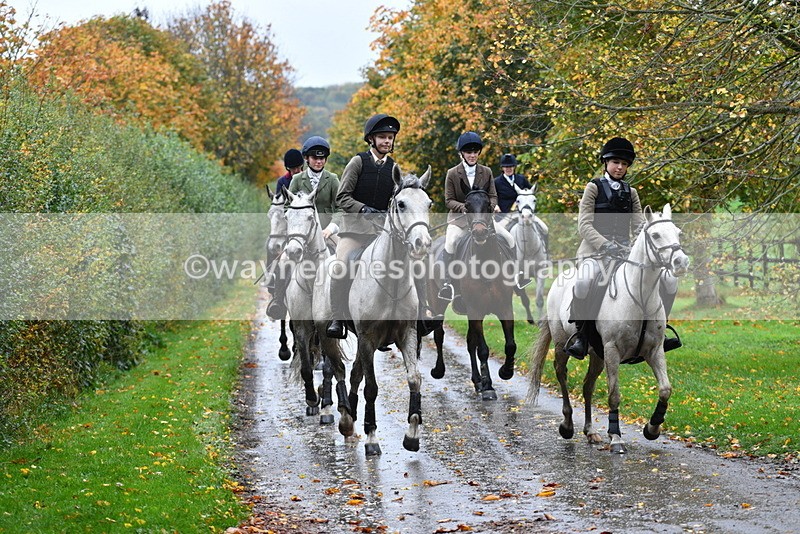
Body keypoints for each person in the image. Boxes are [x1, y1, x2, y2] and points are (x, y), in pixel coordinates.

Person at [326, 114, 440, 340]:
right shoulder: (357, 162)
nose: (387, 141)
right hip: (356, 231)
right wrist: (363, 209)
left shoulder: (394, 169)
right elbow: (342, 198)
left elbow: (400, 202)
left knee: (418, 262)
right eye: (382, 137)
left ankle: (422, 312)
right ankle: (337, 317)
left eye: (390, 137)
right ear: (371, 140)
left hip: (385, 233)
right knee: (341, 265)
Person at [565, 137, 682, 359]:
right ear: (606, 162)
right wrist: (605, 245)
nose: (620, 167)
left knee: (668, 279)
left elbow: (639, 226)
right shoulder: (593, 188)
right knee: (583, 282)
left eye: (624, 164)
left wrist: (636, 246)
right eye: (616, 162)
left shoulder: (632, 192)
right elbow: (584, 225)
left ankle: (660, 330)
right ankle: (581, 335)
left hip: (625, 255)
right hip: (594, 252)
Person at [266, 136, 340, 320]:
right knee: (283, 261)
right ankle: (278, 300)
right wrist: (293, 232)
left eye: (322, 158)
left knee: (345, 261)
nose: (318, 161)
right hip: (300, 234)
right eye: (314, 157)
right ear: (307, 159)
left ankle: (341, 309)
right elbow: (287, 207)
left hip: (326, 232)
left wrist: (331, 228)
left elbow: (340, 207)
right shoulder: (297, 179)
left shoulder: (332, 179)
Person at [438, 132, 516, 303]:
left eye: (475, 152)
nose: (472, 155)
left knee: (509, 238)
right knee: (450, 243)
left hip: (483, 220)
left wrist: (492, 205)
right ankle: (448, 284)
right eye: (468, 152)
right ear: (462, 154)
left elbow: (493, 195)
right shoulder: (452, 173)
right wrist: (463, 208)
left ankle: (516, 276)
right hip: (459, 221)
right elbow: (448, 200)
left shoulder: (486, 172)